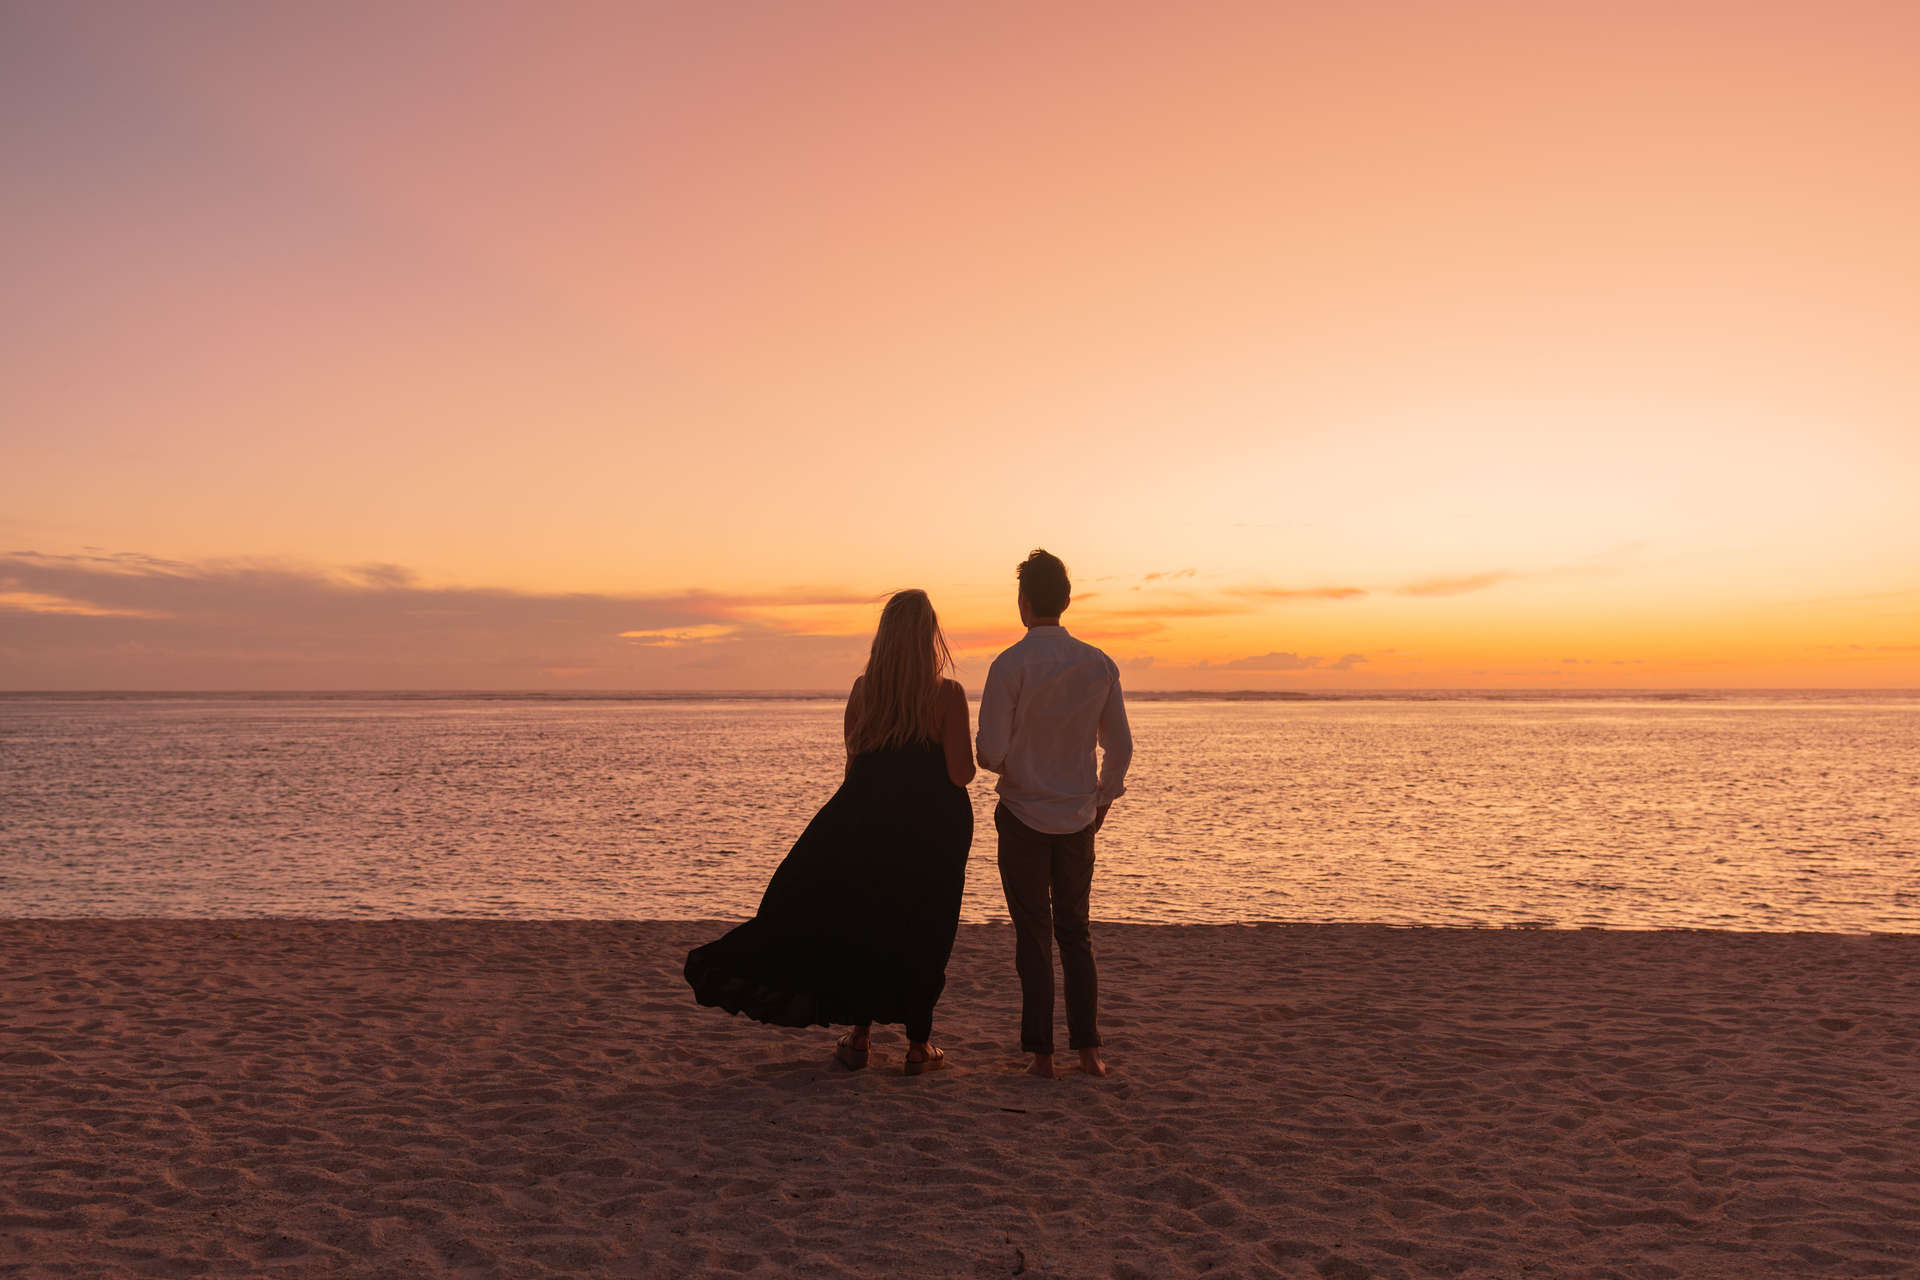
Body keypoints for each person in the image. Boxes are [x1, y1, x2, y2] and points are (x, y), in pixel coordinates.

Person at [684, 589, 974, 1074]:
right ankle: (919, 1047)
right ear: (930, 638)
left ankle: (860, 1036)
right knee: (924, 929)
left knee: (864, 923)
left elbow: (853, 767)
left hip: (865, 825)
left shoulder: (863, 692)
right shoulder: (946, 695)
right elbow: (961, 773)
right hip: (933, 833)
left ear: (884, 638)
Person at [976, 549, 1132, 1079]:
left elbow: (989, 754)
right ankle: (1089, 1052)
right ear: (1066, 601)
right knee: (1076, 932)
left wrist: (1009, 759)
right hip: (1077, 816)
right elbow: (1121, 748)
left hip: (1022, 813)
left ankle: (1042, 1056)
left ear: (1023, 603)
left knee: (1033, 934)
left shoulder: (1008, 665)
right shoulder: (1099, 663)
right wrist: (1101, 801)